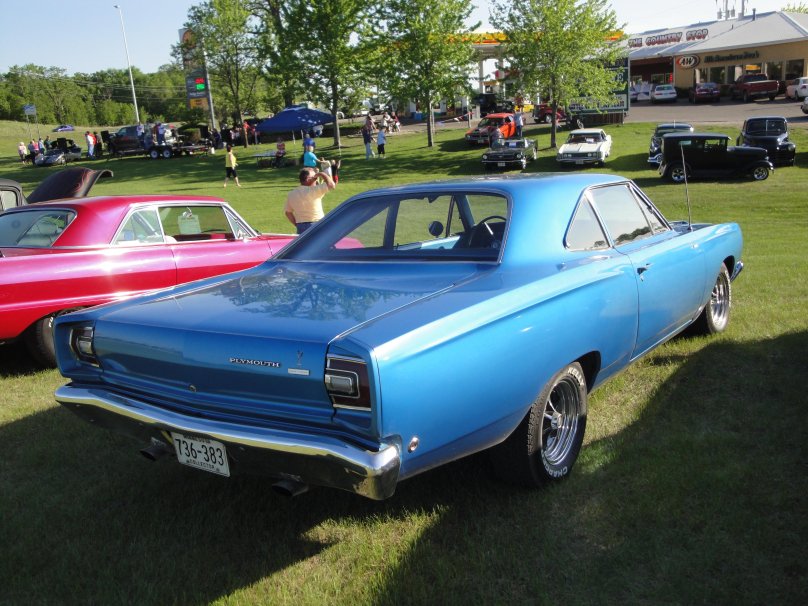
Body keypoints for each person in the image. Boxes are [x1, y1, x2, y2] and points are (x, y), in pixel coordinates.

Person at [283, 167, 335, 234]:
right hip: (317, 224)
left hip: (300, 226)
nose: (316, 180)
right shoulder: (314, 190)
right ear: (308, 179)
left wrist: (297, 224)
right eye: (315, 178)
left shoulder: (291, 193)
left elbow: (288, 213)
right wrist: (322, 174)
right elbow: (332, 185)